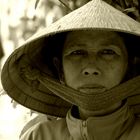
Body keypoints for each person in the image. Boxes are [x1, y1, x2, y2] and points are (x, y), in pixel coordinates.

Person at [1, 0, 140, 139]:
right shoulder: (38, 136)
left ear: (131, 68)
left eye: (108, 52)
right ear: (59, 69)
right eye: (77, 53)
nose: (91, 68)